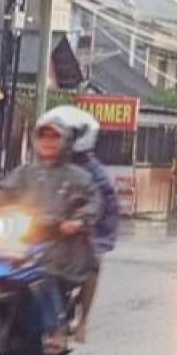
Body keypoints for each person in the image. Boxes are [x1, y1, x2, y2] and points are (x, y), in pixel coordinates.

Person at [0, 114, 101, 355]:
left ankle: (57, 327)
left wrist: (77, 221)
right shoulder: (25, 173)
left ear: (64, 142)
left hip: (61, 243)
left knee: (46, 270)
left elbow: (94, 201)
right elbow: (0, 191)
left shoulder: (77, 176)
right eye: (43, 137)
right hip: (24, 238)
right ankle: (0, 315)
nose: (48, 143)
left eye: (54, 138)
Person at [52, 106, 119, 342]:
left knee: (92, 263)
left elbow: (101, 205)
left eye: (64, 135)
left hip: (92, 228)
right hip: (54, 226)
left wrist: (82, 222)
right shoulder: (47, 164)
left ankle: (82, 321)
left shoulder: (95, 173)